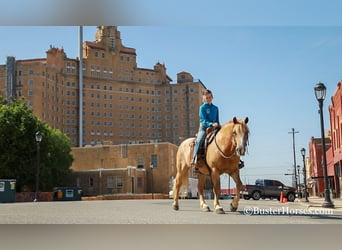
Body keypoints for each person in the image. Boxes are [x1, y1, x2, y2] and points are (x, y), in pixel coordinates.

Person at [191, 89, 220, 172]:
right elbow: (203, 120)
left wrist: (218, 125)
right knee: (199, 140)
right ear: (204, 98)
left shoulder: (216, 108)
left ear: (212, 97)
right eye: (207, 97)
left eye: (210, 97)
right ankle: (194, 160)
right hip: (204, 128)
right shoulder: (202, 108)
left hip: (215, 128)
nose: (208, 99)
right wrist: (211, 124)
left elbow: (217, 120)